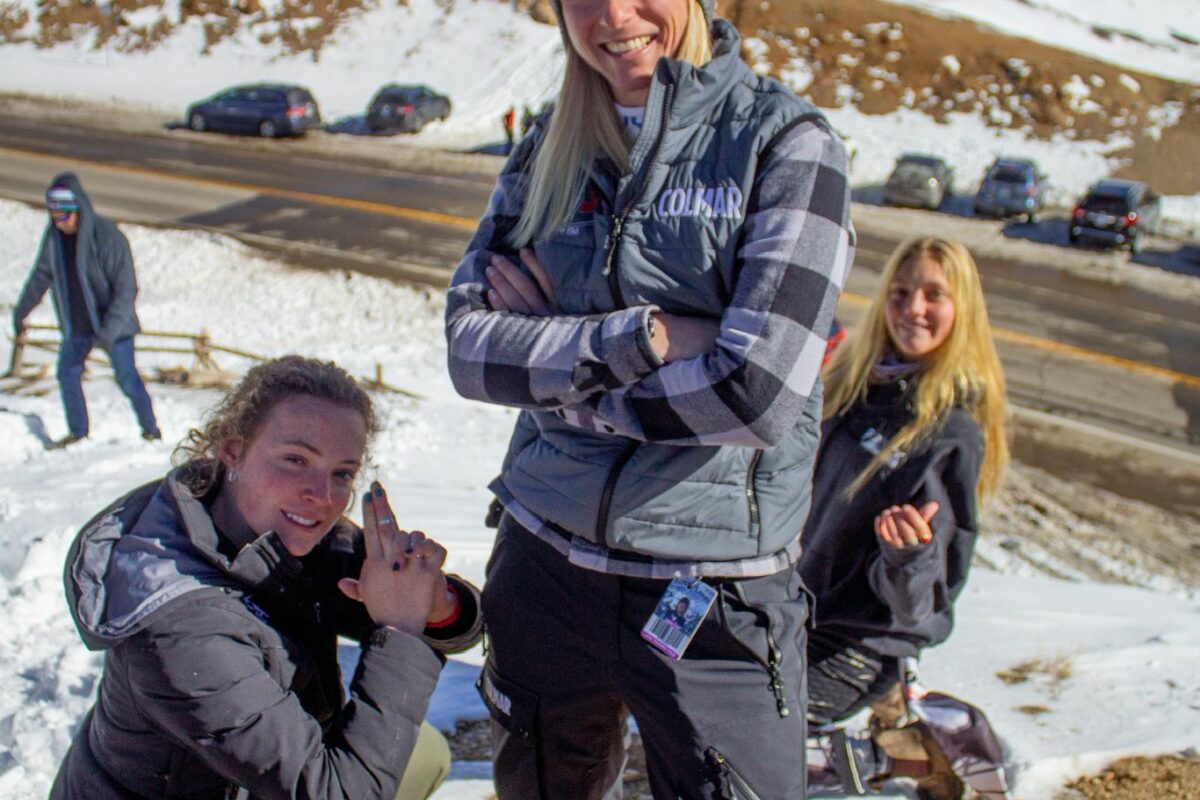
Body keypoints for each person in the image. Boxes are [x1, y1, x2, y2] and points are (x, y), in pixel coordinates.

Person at [445, 1, 854, 797]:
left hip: (713, 586)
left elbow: (753, 395)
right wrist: (647, 337)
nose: (612, 14)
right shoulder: (548, 145)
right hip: (544, 558)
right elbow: (470, 350)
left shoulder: (787, 145)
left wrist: (558, 360)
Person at [51, 355, 483, 800]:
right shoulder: (180, 628)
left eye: (342, 473)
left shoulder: (284, 533)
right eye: (295, 459)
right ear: (233, 449)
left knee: (423, 752)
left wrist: (435, 603)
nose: (322, 496)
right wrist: (401, 630)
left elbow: (459, 623)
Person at [797, 238, 1010, 798]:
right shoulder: (855, 387)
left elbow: (920, 603)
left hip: (861, 642)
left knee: (737, 721)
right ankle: (899, 740)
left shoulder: (949, 430)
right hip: (799, 610)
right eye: (900, 291)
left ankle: (900, 743)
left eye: (933, 295)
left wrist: (908, 556)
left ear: (961, 310)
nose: (913, 307)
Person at [13, 172, 161, 448]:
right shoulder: (54, 241)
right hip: (78, 325)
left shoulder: (107, 236)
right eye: (54, 216)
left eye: (64, 216)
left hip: (114, 327)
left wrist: (109, 330)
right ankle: (78, 433)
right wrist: (21, 311)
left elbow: (126, 289)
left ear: (78, 209)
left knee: (127, 379)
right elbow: (40, 276)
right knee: (67, 373)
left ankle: (151, 431)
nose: (60, 222)